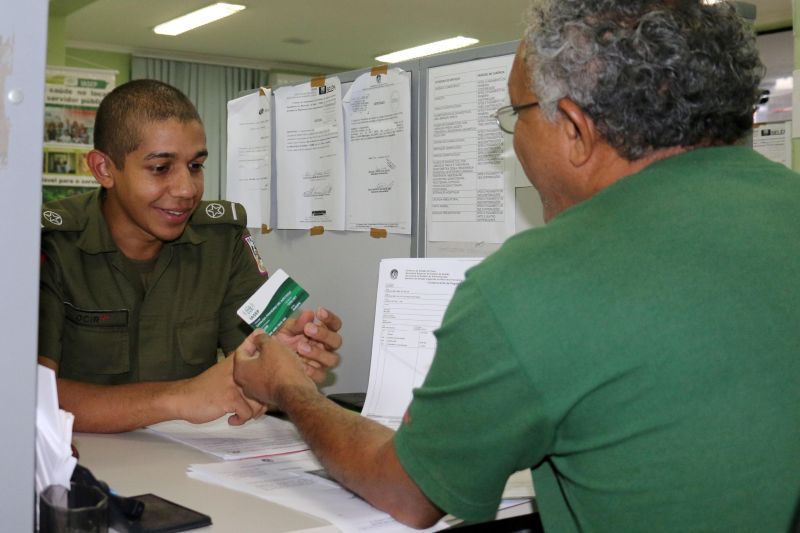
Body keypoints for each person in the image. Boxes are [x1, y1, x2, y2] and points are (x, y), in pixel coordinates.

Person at [232, 1, 800, 531]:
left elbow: (408, 493)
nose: (515, 141)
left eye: (518, 115)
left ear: (575, 130)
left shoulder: (540, 281)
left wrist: (291, 389)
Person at [39, 79, 342, 433]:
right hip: (79, 461)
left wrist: (287, 363)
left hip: (188, 463)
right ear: (104, 169)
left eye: (196, 166)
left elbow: (258, 357)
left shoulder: (222, 237)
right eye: (160, 168)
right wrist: (181, 397)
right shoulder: (51, 245)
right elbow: (32, 395)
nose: (186, 189)